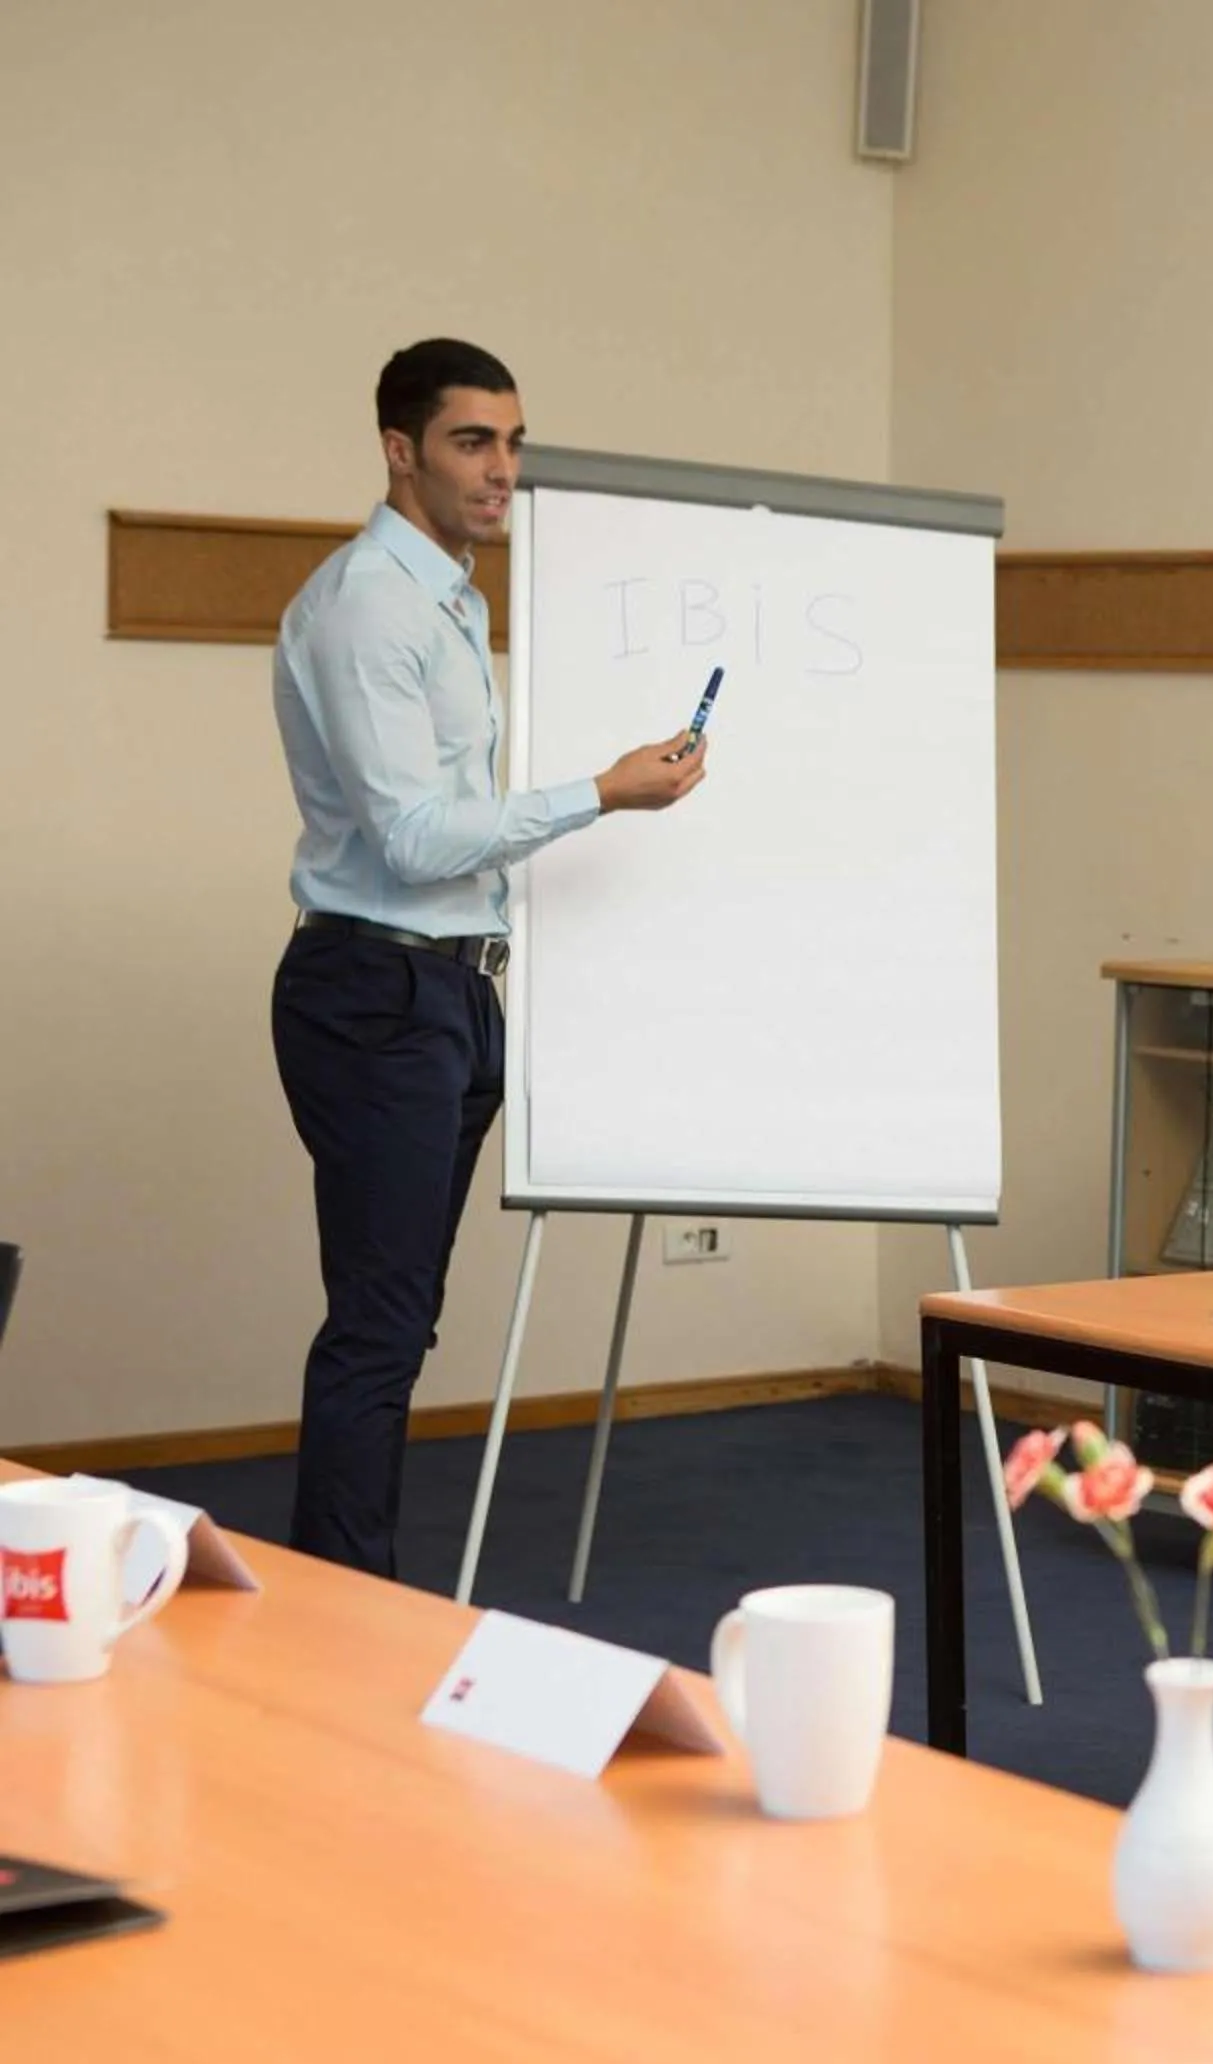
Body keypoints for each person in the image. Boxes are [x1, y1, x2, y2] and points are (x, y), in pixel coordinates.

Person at [272, 339, 708, 1578]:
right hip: (374, 993)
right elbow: (411, 839)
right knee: (377, 1328)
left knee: (398, 1324)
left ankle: (343, 1594)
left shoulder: (447, 599)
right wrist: (601, 795)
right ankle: (342, 1608)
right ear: (400, 449)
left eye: (515, 443)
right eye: (474, 442)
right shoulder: (368, 605)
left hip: (446, 991)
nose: (503, 470)